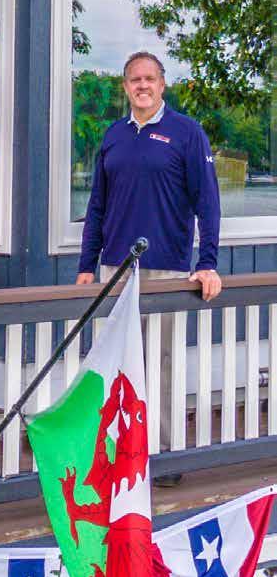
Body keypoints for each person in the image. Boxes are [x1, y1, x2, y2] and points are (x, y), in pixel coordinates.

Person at [76, 51, 222, 459]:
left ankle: (163, 454)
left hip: (166, 268)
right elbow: (97, 207)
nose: (142, 85)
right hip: (115, 268)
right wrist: (87, 266)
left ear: (162, 84)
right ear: (125, 87)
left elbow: (207, 203)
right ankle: (115, 454)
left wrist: (207, 263)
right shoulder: (113, 136)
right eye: (134, 79)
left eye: (149, 79)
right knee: (113, 360)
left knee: (161, 364)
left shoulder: (187, 133)